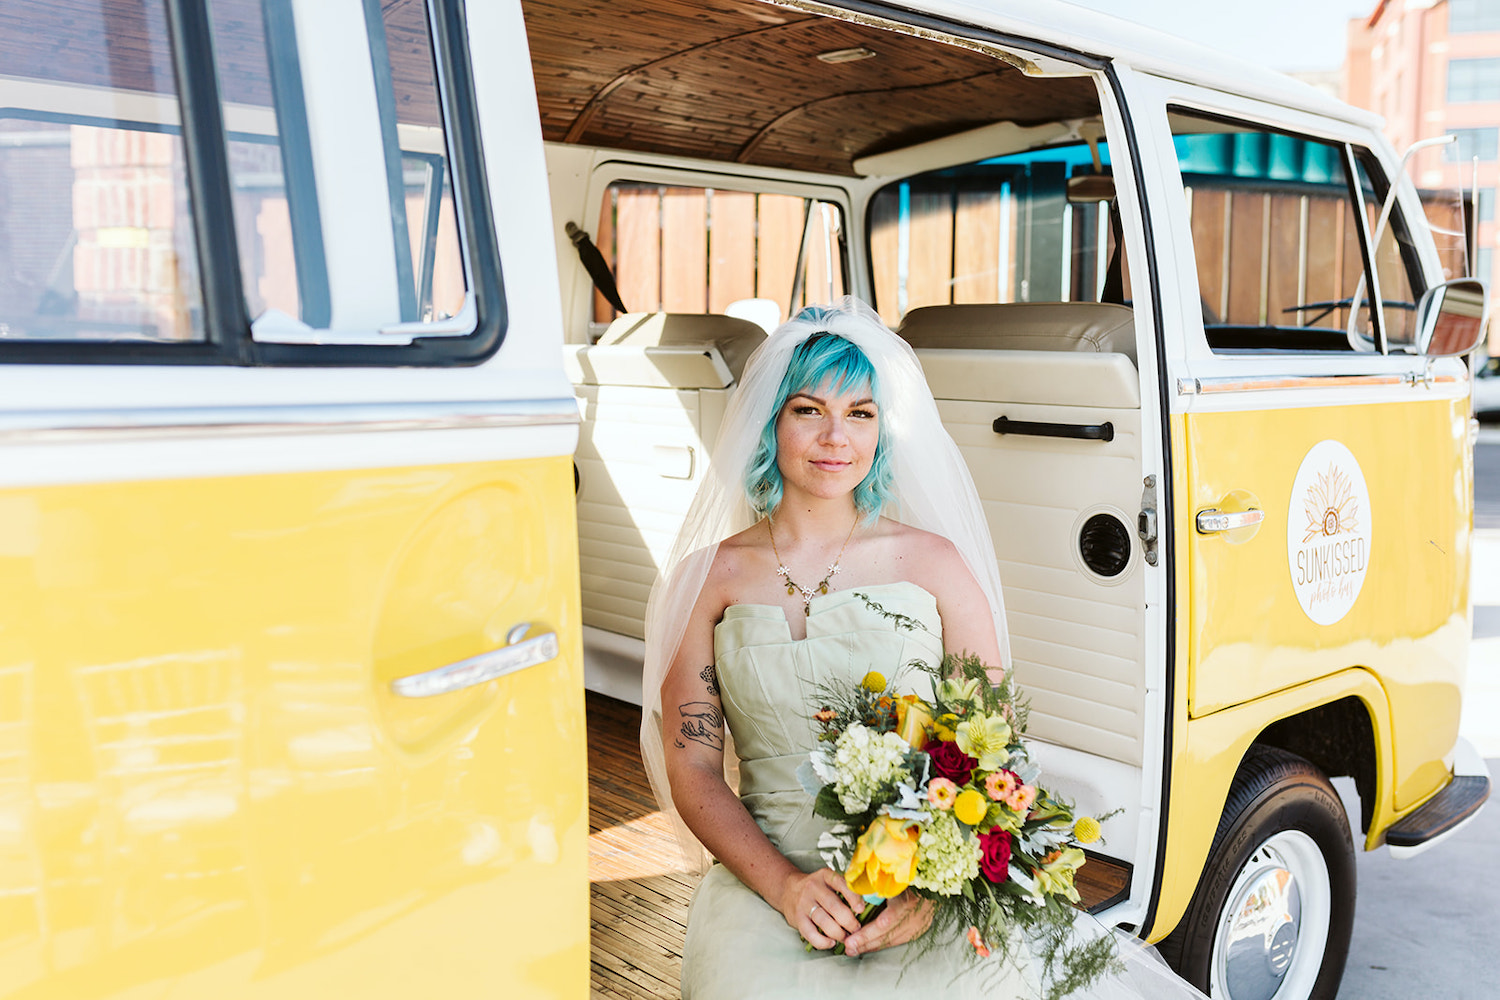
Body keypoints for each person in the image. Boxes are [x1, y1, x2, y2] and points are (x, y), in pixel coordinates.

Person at [639, 298, 1206, 999]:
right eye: (808, 410)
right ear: (770, 422)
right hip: (766, 878)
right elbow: (692, 769)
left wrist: (936, 890)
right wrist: (785, 887)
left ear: (884, 430)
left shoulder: (933, 564)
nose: (835, 437)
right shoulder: (707, 578)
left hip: (924, 878)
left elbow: (991, 750)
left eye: (862, 413)